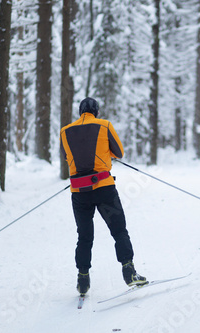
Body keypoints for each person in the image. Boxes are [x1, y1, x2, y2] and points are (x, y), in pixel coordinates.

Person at [60, 97, 147, 297]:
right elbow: (119, 152)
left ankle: (83, 278)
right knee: (118, 230)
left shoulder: (65, 131)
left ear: (80, 112)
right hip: (104, 188)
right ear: (96, 111)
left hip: (79, 192)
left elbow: (67, 156)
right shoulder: (104, 125)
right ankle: (129, 271)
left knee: (84, 235)